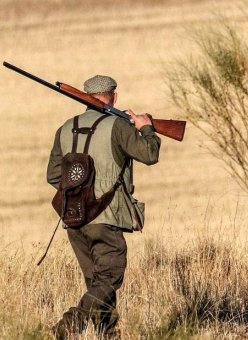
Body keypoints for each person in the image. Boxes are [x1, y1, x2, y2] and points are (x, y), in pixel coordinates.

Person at [46, 75, 161, 339]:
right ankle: (71, 322)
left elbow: (53, 175)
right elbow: (150, 154)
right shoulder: (117, 126)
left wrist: (79, 192)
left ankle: (107, 334)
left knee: (97, 282)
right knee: (110, 276)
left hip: (74, 218)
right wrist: (145, 128)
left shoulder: (66, 127)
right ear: (114, 97)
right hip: (106, 215)